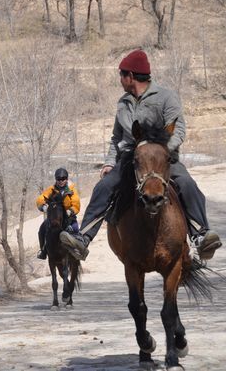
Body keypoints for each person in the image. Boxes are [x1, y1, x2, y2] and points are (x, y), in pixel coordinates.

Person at [60, 49, 222, 261]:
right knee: (103, 187)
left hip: (164, 159)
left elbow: (179, 130)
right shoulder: (123, 103)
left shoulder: (166, 97)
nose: (120, 79)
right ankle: (83, 238)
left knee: (188, 185)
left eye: (121, 75)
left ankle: (201, 236)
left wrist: (160, 151)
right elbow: (116, 137)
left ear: (131, 76)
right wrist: (109, 163)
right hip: (131, 160)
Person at [35, 168, 81, 260]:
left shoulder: (72, 191)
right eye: (58, 179)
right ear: (56, 179)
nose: (61, 181)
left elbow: (76, 204)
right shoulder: (51, 190)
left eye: (63, 179)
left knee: (75, 229)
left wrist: (71, 211)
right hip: (54, 218)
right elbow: (40, 198)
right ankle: (43, 251)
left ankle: (78, 250)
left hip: (68, 218)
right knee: (42, 230)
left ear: (67, 179)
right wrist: (43, 206)